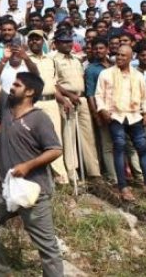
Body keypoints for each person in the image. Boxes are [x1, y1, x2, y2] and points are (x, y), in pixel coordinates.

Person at [0, 25, 64, 277]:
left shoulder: (39, 118)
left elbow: (55, 150)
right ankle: (0, 272)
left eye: (17, 85)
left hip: (33, 192)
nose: (12, 87)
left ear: (30, 92)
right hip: (7, 190)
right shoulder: (6, 108)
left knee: (47, 248)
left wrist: (27, 166)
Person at [96, 45, 146, 200]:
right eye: (118, 55)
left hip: (134, 116)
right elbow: (99, 95)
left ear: (131, 57)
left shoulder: (137, 75)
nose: (119, 57)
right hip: (115, 116)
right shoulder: (106, 74)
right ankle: (123, 187)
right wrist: (103, 110)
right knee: (119, 147)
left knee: (143, 148)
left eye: (123, 55)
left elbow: (145, 97)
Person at [53, 28, 101, 180]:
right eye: (64, 42)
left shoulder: (76, 59)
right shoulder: (54, 60)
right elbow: (54, 83)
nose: (68, 44)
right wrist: (68, 96)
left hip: (82, 99)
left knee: (88, 136)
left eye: (69, 41)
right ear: (56, 43)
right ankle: (73, 173)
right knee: (69, 137)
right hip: (66, 100)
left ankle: (94, 172)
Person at [25, 30, 69, 184]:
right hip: (33, 103)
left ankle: (60, 177)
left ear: (43, 41)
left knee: (55, 138)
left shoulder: (50, 60)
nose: (34, 42)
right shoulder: (25, 59)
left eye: (37, 39)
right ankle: (38, 178)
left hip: (51, 102)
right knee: (34, 140)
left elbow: (53, 84)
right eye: (31, 39)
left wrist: (63, 100)